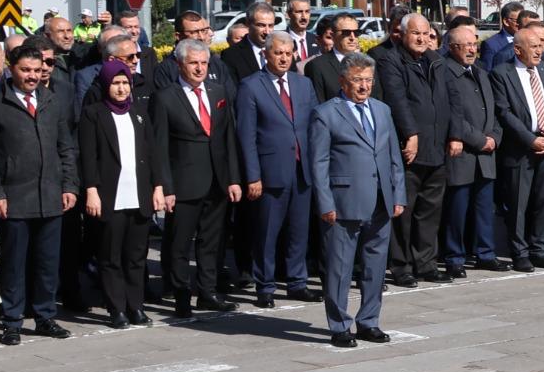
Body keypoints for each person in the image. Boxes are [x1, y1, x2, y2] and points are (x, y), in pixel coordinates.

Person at [0, 48, 80, 344]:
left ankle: (45, 316)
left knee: (47, 262)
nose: (32, 75)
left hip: (50, 195)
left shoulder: (52, 101)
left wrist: (69, 186)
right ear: (12, 69)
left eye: (37, 70)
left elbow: (66, 148)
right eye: (26, 70)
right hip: (14, 198)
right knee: (15, 263)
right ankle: (12, 320)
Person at [309, 53, 406, 348]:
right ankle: (340, 325)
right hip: (344, 201)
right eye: (357, 80)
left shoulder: (382, 110)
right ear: (342, 81)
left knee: (376, 266)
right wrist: (325, 203)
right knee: (340, 267)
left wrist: (398, 194)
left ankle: (369, 321)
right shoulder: (326, 113)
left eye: (368, 80)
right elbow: (318, 163)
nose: (364, 86)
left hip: (380, 200)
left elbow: (393, 158)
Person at [153, 39, 240, 316]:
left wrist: (233, 179)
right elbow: (159, 146)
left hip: (217, 181)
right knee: (179, 243)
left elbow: (228, 138)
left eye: (204, 63)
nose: (200, 68)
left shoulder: (218, 92)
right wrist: (165, 186)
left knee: (211, 242)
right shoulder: (165, 97)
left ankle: (208, 292)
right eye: (193, 63)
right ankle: (180, 295)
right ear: (179, 64)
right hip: (183, 183)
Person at [76, 59, 165, 328]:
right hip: (110, 196)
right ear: (105, 84)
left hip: (139, 195)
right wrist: (91, 190)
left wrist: (158, 187)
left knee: (136, 257)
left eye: (125, 82)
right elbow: (88, 156)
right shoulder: (93, 114)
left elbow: (152, 153)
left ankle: (135, 306)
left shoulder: (138, 113)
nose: (121, 88)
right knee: (110, 256)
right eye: (116, 83)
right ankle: (117, 309)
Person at [235, 34, 320, 305]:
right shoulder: (251, 86)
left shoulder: (303, 84)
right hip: (270, 172)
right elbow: (246, 136)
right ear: (266, 55)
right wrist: (253, 175)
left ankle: (297, 282)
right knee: (267, 233)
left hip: (302, 170)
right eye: (278, 53)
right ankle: (265, 286)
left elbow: (316, 127)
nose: (284, 58)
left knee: (299, 231)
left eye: (288, 53)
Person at [378, 13, 449, 286]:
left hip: (437, 146)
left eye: (425, 33)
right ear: (402, 35)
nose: (421, 39)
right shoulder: (391, 60)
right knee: (403, 212)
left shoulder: (435, 60)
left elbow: (448, 99)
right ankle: (401, 265)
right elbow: (397, 99)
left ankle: (426, 263)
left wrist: (453, 135)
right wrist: (411, 134)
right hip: (408, 150)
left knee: (430, 212)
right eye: (415, 33)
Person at [492, 21, 544, 271]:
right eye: (532, 47)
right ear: (518, 50)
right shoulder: (502, 73)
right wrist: (530, 140)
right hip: (521, 148)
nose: (538, 51)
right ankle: (519, 252)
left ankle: (539, 249)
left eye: (540, 46)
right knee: (518, 204)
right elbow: (504, 112)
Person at [435, 20, 502, 275]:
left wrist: (495, 137)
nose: (472, 49)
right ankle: (454, 258)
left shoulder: (481, 72)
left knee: (484, 208)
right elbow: (451, 114)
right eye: (466, 45)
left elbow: (493, 110)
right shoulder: (444, 72)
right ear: (452, 47)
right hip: (462, 153)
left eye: (474, 44)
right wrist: (479, 139)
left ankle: (486, 252)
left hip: (486, 152)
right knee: (457, 209)